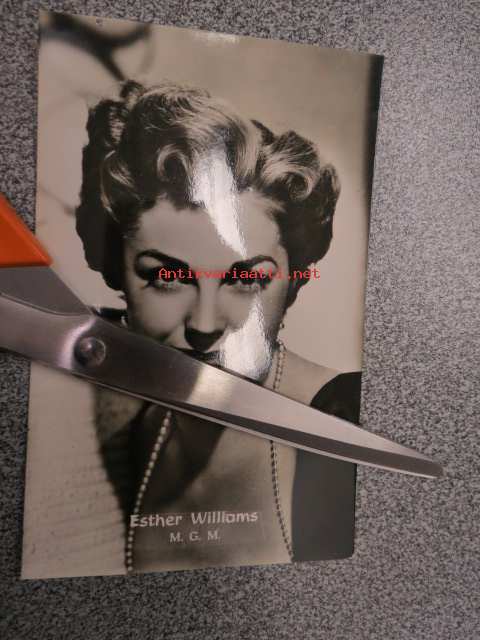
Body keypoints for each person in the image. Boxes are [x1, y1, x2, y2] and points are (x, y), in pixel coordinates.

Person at [75, 80, 361, 573]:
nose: (205, 325)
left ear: (293, 278)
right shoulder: (102, 418)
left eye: (246, 279)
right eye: (167, 277)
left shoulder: (345, 417)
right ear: (116, 273)